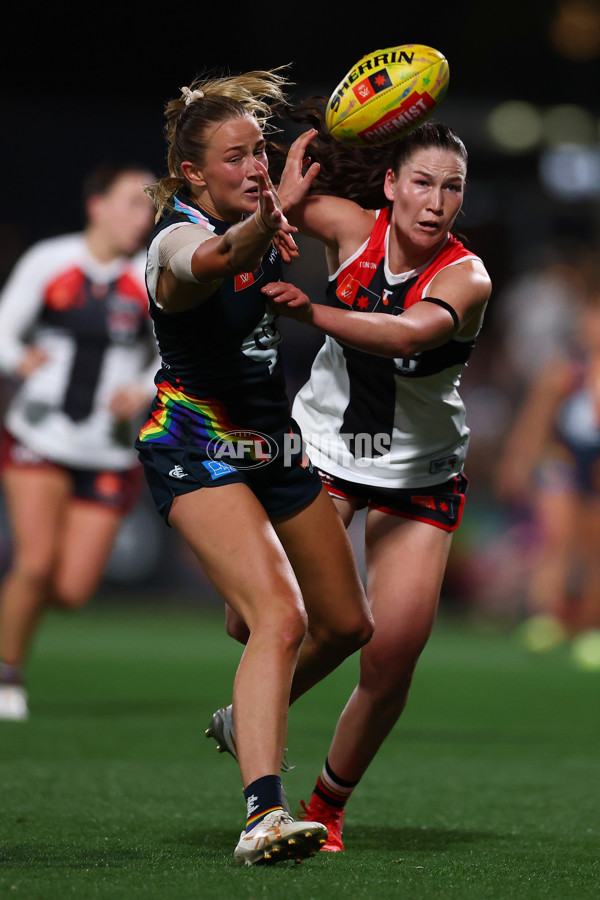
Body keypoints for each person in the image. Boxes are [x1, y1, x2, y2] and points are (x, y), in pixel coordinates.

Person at [215, 113, 492, 852]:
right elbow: (265, 207)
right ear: (392, 185)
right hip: (330, 453)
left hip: (419, 472)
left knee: (392, 653)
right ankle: (253, 703)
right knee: (252, 621)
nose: (436, 202)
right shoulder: (350, 224)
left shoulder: (467, 276)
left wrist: (314, 311)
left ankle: (324, 805)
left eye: (452, 188)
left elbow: (406, 333)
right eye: (423, 183)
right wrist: (289, 172)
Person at [134, 71, 373, 867]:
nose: (255, 168)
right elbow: (204, 261)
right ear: (194, 173)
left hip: (272, 443)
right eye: (235, 158)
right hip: (195, 444)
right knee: (280, 616)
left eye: (259, 154)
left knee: (346, 624)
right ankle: (262, 815)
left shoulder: (259, 212)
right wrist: (263, 224)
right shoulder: (174, 235)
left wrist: (284, 204)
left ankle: (246, 714)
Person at [0, 164, 159, 722]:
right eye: (132, 203)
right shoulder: (52, 260)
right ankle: (7, 674)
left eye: (149, 207)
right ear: (97, 205)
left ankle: (11, 614)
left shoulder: (148, 275)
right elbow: (3, 327)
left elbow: (173, 351)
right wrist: (20, 359)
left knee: (70, 590)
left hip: (107, 447)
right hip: (38, 435)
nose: (142, 216)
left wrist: (141, 390)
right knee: (36, 562)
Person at [495, 286, 600, 652]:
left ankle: (590, 625)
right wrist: (518, 462)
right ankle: (546, 617)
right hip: (563, 460)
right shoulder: (565, 370)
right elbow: (534, 422)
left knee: (594, 546)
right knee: (555, 539)